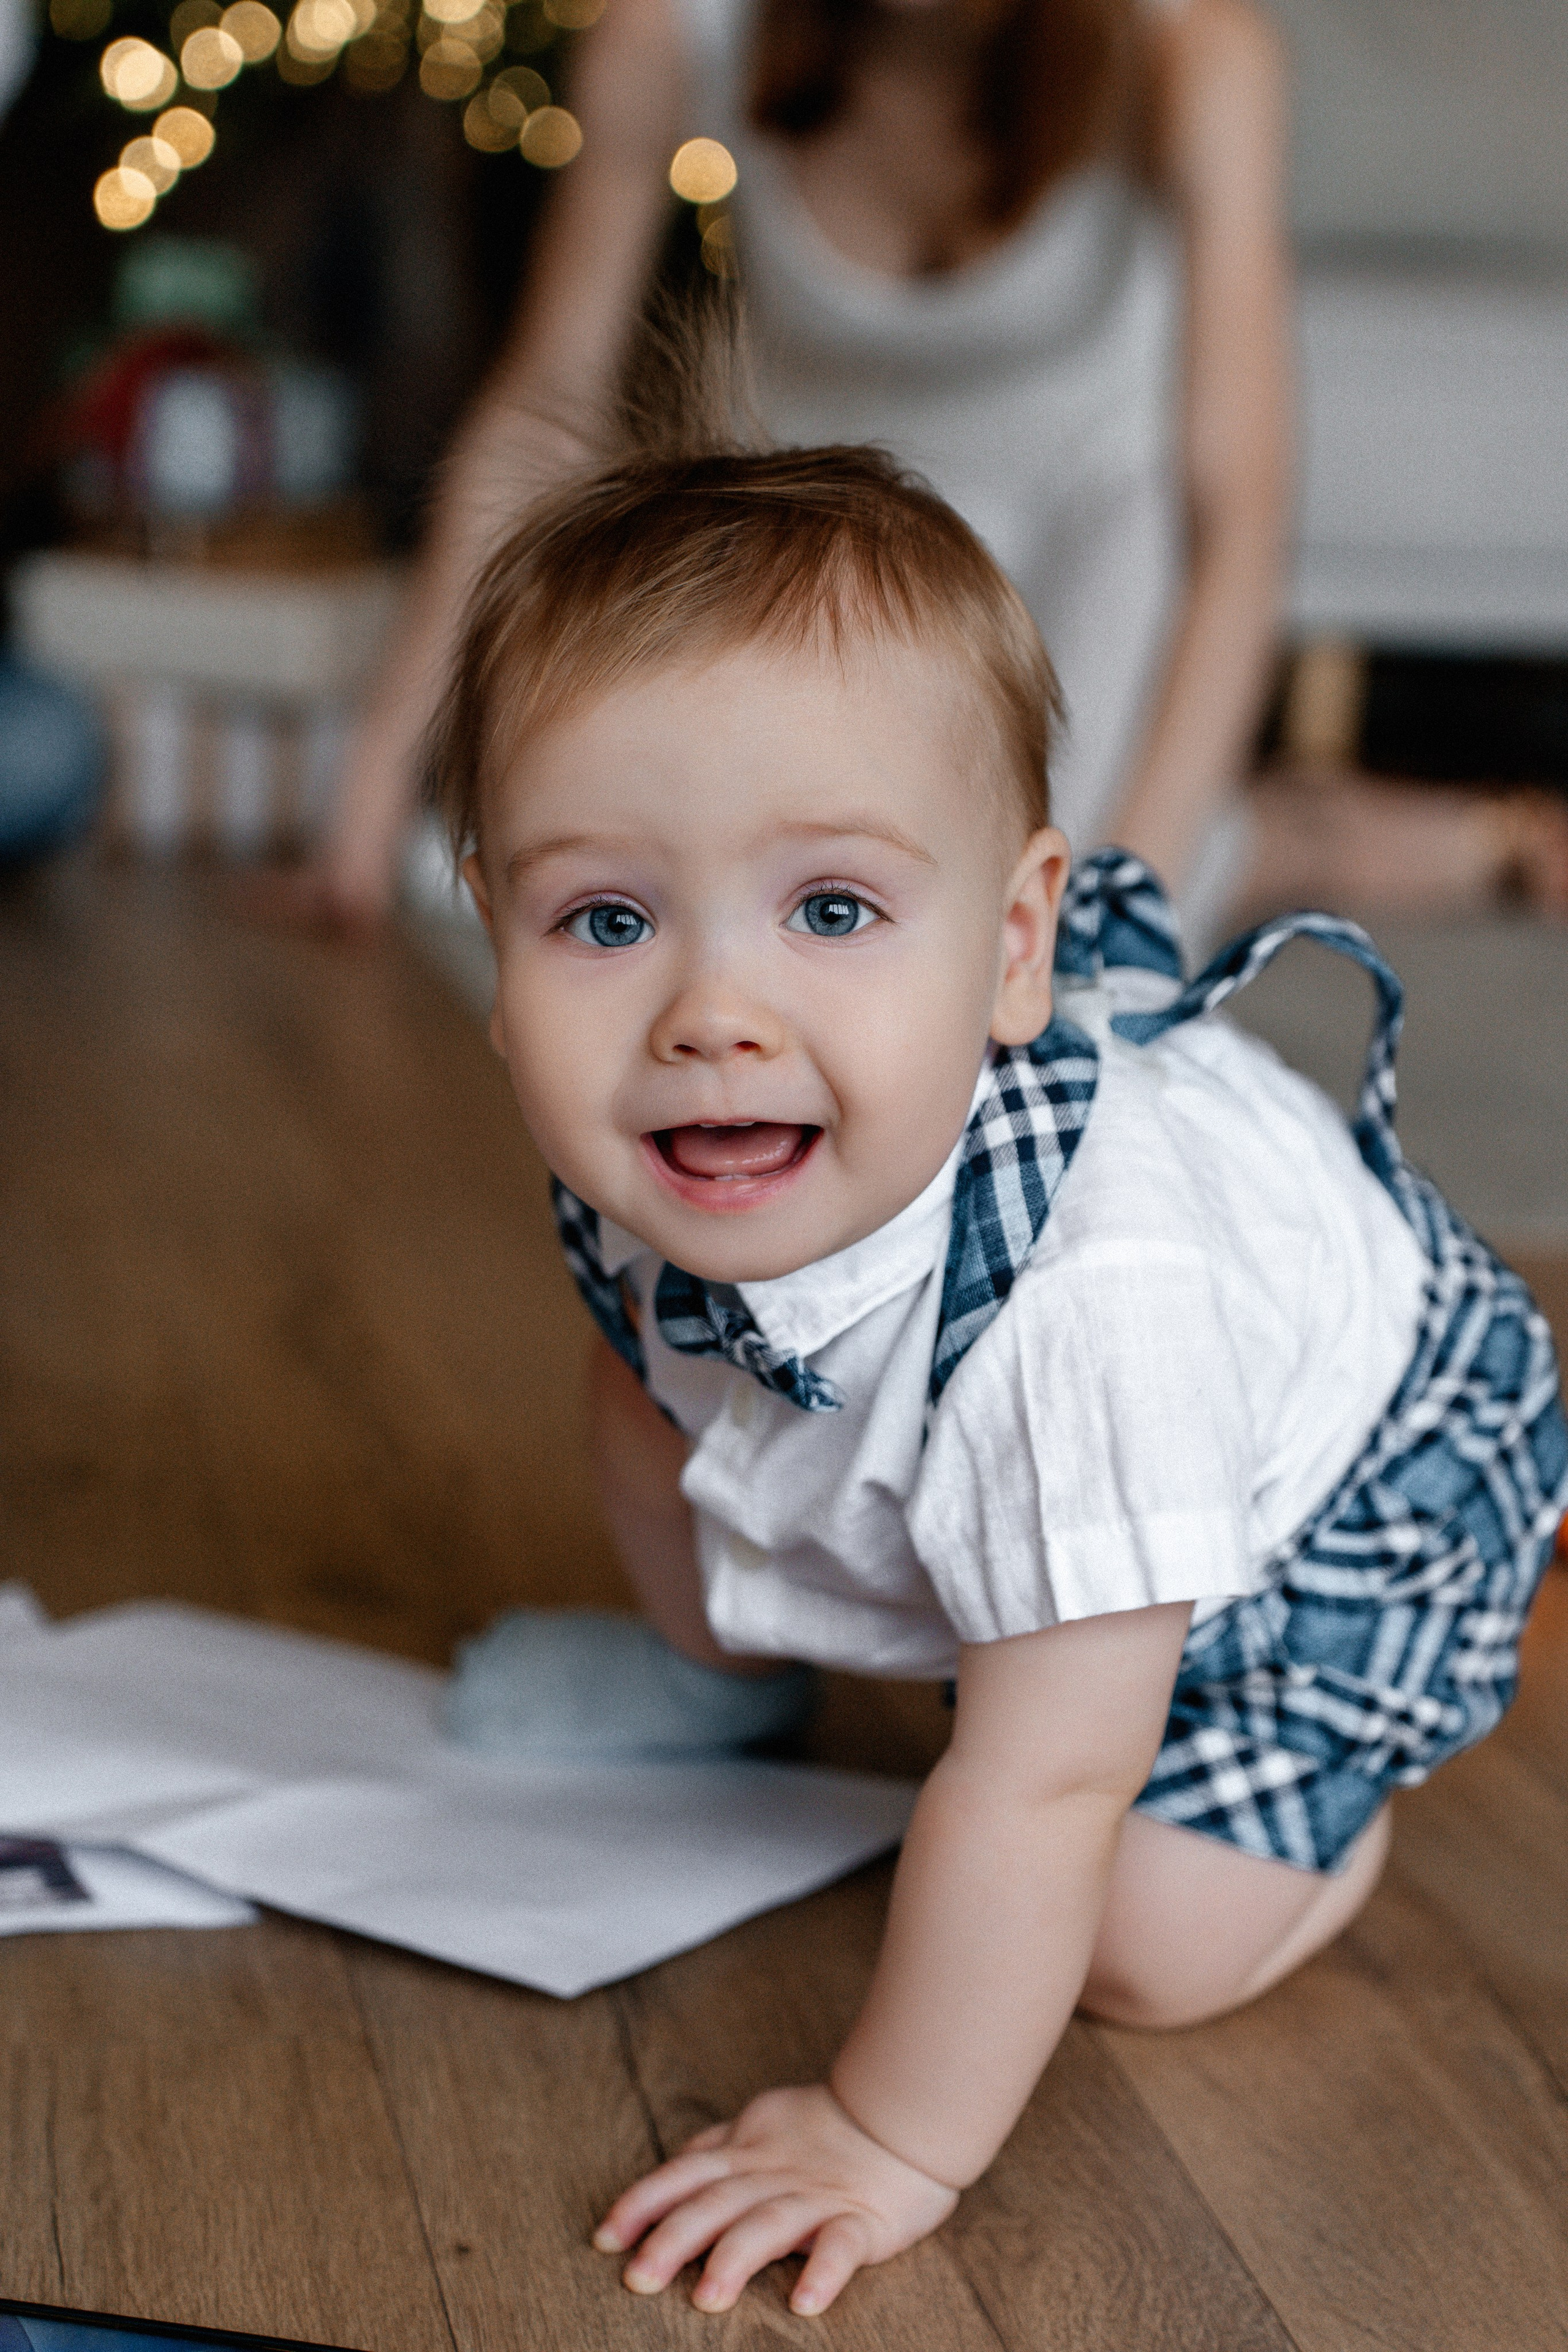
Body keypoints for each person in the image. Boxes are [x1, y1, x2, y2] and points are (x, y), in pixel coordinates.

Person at [425, 402, 1567, 2315]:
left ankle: (1301, 1813)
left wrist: (890, 2134)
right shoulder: (693, 1157)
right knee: (655, 1398)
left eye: (837, 910)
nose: (716, 1014)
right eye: (607, 919)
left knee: (1128, 1927)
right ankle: (753, 1661)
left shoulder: (1085, 1314)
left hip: (1329, 1506)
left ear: (1017, 942)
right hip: (977, 1424)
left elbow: (1039, 1787)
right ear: (494, 934)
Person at [314, 0, 1288, 937]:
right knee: (545, 875)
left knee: (1022, 914)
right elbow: (546, 407)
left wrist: (1132, 913)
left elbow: (1237, 521)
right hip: (827, 544)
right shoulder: (673, 29)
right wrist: (379, 770)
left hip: (1101, 532)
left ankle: (1255, 839)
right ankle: (1256, 835)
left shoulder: (1195, 54)